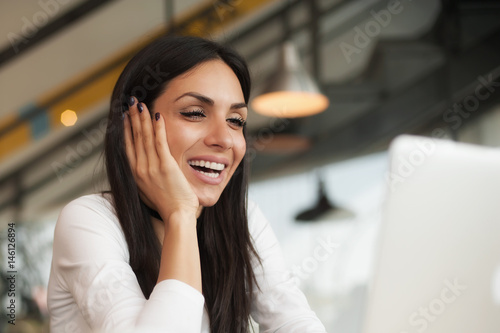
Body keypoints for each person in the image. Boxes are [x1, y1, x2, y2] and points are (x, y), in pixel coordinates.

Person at [47, 35, 327, 333]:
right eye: (195, 113)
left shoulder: (243, 219)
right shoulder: (89, 219)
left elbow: (294, 320)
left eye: (236, 120)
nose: (223, 139)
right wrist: (180, 214)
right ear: (133, 124)